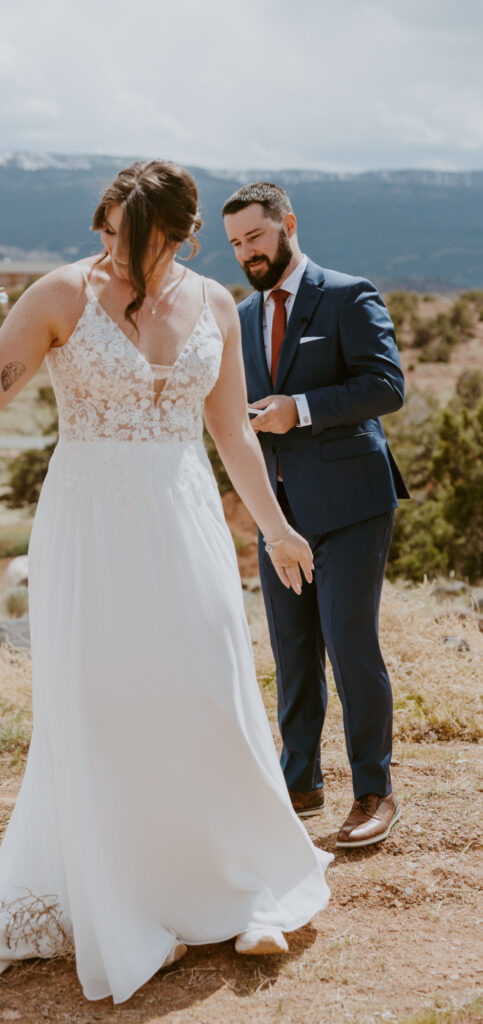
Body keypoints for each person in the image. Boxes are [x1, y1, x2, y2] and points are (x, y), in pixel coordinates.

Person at [0, 161, 331, 1004]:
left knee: (207, 688)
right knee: (106, 703)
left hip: (183, 520)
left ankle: (237, 886)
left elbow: (232, 436)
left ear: (177, 237)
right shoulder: (61, 295)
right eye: (104, 231)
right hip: (91, 526)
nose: (110, 251)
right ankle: (134, 902)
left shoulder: (216, 304)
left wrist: (276, 526)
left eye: (130, 239)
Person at [222, 182, 409, 849]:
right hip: (278, 512)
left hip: (353, 504)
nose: (247, 253)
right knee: (292, 651)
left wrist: (297, 408)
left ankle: (372, 791)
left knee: (348, 644)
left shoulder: (347, 294)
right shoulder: (240, 316)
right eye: (236, 243)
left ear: (286, 225)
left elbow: (386, 386)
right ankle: (298, 782)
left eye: (255, 237)